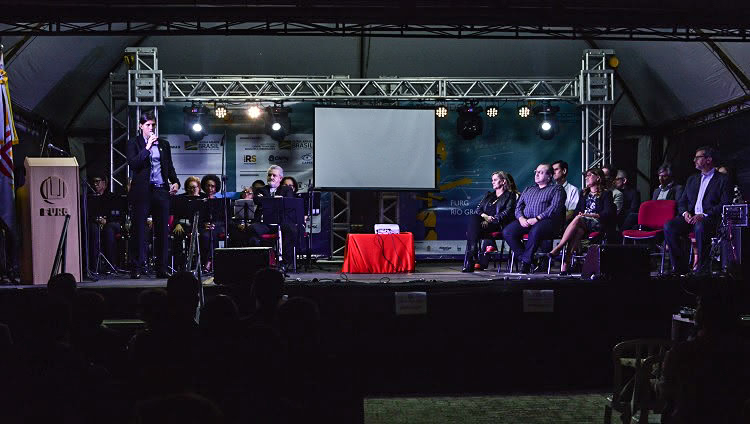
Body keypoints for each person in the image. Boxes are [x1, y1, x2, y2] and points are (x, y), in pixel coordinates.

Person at [126, 112, 180, 279]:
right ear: (140, 126)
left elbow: (169, 166)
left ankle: (161, 268)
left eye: (153, 125)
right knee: (139, 230)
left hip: (160, 190)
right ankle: (136, 267)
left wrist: (175, 181)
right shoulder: (133, 143)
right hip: (142, 192)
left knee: (163, 231)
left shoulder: (164, 144)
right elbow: (134, 164)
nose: (151, 128)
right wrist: (147, 147)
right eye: (148, 125)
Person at [664, 146, 731, 274]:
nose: (694, 160)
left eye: (698, 157)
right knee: (669, 226)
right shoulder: (692, 179)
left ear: (708, 160)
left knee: (700, 226)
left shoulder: (722, 179)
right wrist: (685, 213)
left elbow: (724, 203)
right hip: (691, 218)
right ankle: (680, 268)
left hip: (709, 219)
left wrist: (704, 215)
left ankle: (701, 268)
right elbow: (682, 201)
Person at [546, 168, 616, 275]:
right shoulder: (583, 193)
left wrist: (589, 215)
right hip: (583, 223)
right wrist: (581, 215)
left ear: (598, 178)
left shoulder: (606, 194)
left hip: (598, 223)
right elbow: (577, 211)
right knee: (578, 230)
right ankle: (566, 266)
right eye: (586, 176)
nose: (586, 178)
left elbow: (608, 213)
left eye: (589, 175)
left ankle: (559, 247)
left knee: (578, 220)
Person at [502, 163, 566, 274]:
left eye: (541, 172)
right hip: (527, 220)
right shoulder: (528, 189)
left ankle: (526, 263)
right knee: (508, 231)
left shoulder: (557, 189)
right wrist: (521, 218)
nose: (537, 174)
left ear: (549, 175)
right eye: (536, 172)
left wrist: (537, 218)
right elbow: (518, 206)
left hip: (548, 222)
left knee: (535, 229)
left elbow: (554, 208)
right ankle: (526, 258)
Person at [462, 171, 517, 272]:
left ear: (503, 181)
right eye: (492, 180)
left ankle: (472, 257)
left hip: (498, 224)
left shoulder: (510, 195)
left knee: (473, 230)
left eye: (495, 180)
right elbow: (478, 210)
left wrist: (491, 220)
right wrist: (484, 216)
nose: (493, 182)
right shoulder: (489, 195)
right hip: (483, 223)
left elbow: (507, 212)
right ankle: (473, 252)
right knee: (474, 218)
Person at [250, 165, 297, 272]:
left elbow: (288, 202)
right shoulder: (260, 189)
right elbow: (258, 200)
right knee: (252, 228)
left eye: (274, 175)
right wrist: (275, 199)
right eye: (269, 175)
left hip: (282, 222)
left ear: (280, 178)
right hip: (264, 223)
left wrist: (267, 200)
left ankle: (284, 262)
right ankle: (265, 261)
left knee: (291, 230)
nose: (271, 177)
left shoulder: (286, 189)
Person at [86, 174, 122, 272]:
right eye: (93, 182)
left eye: (97, 182)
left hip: (110, 223)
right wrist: (96, 219)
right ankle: (93, 266)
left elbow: (118, 214)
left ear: (104, 183)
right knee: (92, 229)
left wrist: (106, 220)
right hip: (95, 222)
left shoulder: (113, 197)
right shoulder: (88, 198)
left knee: (109, 229)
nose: (95, 184)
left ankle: (111, 264)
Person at [199, 174, 225, 272]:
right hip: (204, 227)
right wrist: (204, 225)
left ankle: (209, 262)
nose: (210, 188)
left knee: (212, 234)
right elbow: (197, 218)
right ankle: (206, 261)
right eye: (208, 186)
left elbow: (225, 219)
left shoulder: (221, 202)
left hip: (218, 227)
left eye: (212, 186)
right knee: (205, 236)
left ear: (216, 187)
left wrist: (215, 225)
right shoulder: (200, 201)